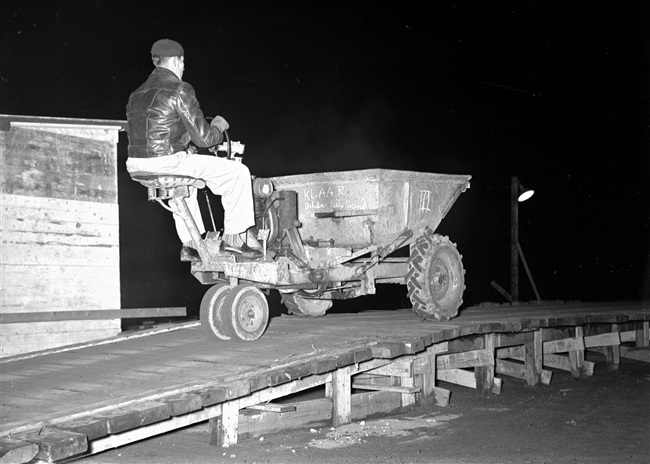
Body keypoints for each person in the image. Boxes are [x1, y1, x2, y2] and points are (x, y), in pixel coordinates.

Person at [125, 39, 261, 261]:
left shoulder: (136, 95)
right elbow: (206, 138)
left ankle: (191, 245)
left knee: (186, 183)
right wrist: (218, 126)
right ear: (178, 61)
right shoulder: (180, 89)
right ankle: (235, 240)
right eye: (183, 61)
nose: (184, 67)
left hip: (137, 166)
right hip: (166, 162)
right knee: (238, 173)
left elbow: (157, 133)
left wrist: (185, 145)